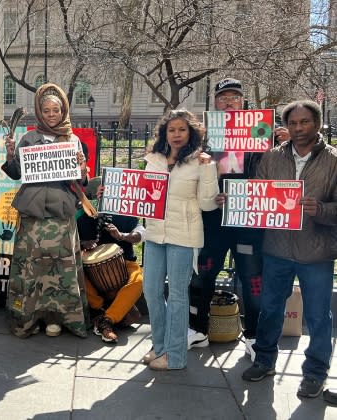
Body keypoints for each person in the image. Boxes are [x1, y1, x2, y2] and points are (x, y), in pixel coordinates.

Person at [187, 78, 290, 360]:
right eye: (223, 97)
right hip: (214, 217)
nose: (229, 102)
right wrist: (212, 193)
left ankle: (254, 336)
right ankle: (197, 330)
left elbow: (285, 171)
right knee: (204, 272)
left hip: (249, 219)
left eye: (234, 97)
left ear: (243, 102)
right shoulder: (204, 135)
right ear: (215, 103)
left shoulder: (262, 131)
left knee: (252, 279)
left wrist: (286, 144)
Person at [241, 100, 337, 399]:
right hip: (277, 248)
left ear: (317, 123)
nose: (298, 128)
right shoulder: (271, 157)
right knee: (270, 309)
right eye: (293, 123)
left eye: (304, 122)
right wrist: (234, 201)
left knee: (319, 316)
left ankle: (315, 373)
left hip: (316, 251)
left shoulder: (334, 160)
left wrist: (320, 209)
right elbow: (257, 194)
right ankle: (265, 360)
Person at [2, 83, 89, 338]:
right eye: (46, 110)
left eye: (56, 110)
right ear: (40, 112)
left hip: (61, 212)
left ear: (63, 111)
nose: (51, 114)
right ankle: (30, 317)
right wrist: (10, 157)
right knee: (32, 269)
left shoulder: (72, 140)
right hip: (33, 213)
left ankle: (58, 319)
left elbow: (82, 181)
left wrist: (82, 168)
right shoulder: (29, 138)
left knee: (61, 270)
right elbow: (18, 173)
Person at [142, 109, 219, 370]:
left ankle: (175, 356)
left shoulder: (201, 161)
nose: (176, 134)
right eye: (171, 130)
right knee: (151, 290)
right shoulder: (153, 158)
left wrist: (209, 170)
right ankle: (160, 346)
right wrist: (115, 191)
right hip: (154, 233)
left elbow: (208, 205)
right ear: (165, 133)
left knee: (176, 295)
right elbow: (143, 195)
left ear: (191, 133)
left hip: (184, 235)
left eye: (182, 129)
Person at [77, 204, 145, 344]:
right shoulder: (85, 215)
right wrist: (83, 243)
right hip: (91, 268)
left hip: (125, 262)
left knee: (139, 280)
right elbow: (72, 240)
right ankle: (101, 310)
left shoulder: (127, 212)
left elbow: (141, 233)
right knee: (78, 277)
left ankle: (106, 320)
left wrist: (122, 236)